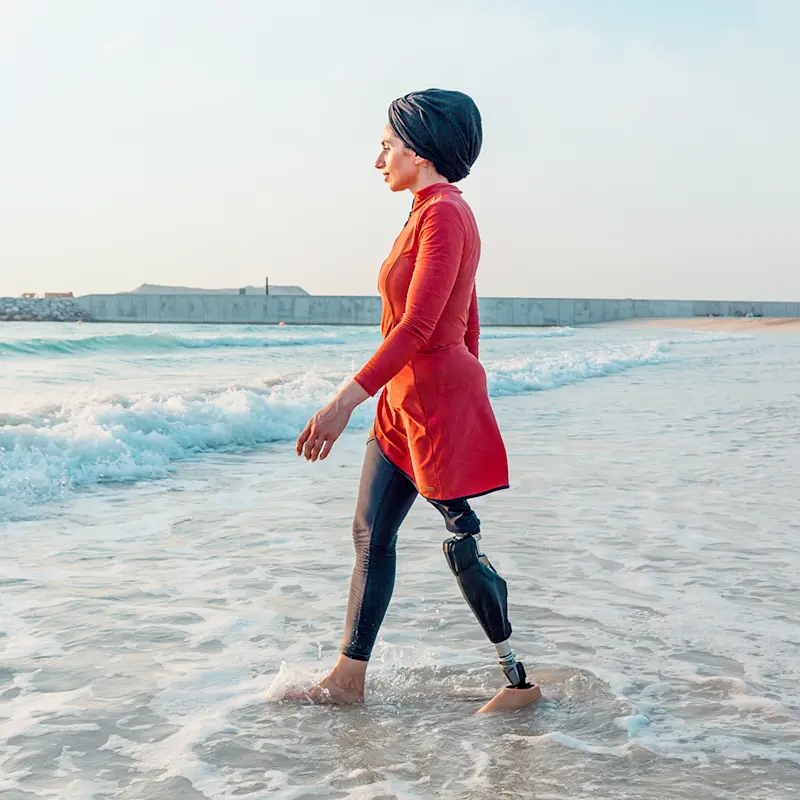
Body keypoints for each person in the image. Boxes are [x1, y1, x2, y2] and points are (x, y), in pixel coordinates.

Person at [289, 89, 540, 713]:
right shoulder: (426, 211)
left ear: (419, 149)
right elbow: (470, 315)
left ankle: (518, 684)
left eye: (386, 146)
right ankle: (348, 680)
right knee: (370, 534)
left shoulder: (446, 214)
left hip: (433, 406)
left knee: (461, 539)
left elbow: (421, 326)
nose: (378, 160)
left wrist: (344, 400)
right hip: (405, 403)